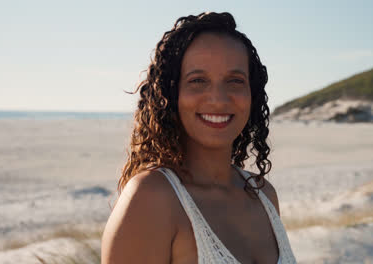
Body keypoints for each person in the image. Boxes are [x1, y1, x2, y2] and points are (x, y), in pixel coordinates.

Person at [101, 12, 297, 264]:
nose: (218, 99)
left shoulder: (263, 195)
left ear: (253, 94)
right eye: (198, 80)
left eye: (235, 81)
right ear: (171, 94)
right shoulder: (153, 198)